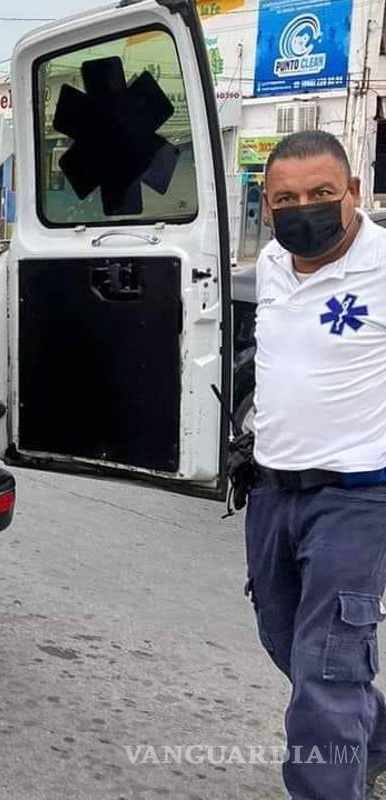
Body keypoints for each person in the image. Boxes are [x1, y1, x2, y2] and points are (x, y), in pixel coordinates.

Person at [244, 130, 386, 799]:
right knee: (287, 642)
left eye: (322, 193)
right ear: (268, 203)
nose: (305, 209)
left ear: (353, 192)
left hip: (358, 497)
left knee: (327, 666)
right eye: (287, 199)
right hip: (274, 492)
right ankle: (375, 741)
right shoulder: (273, 262)